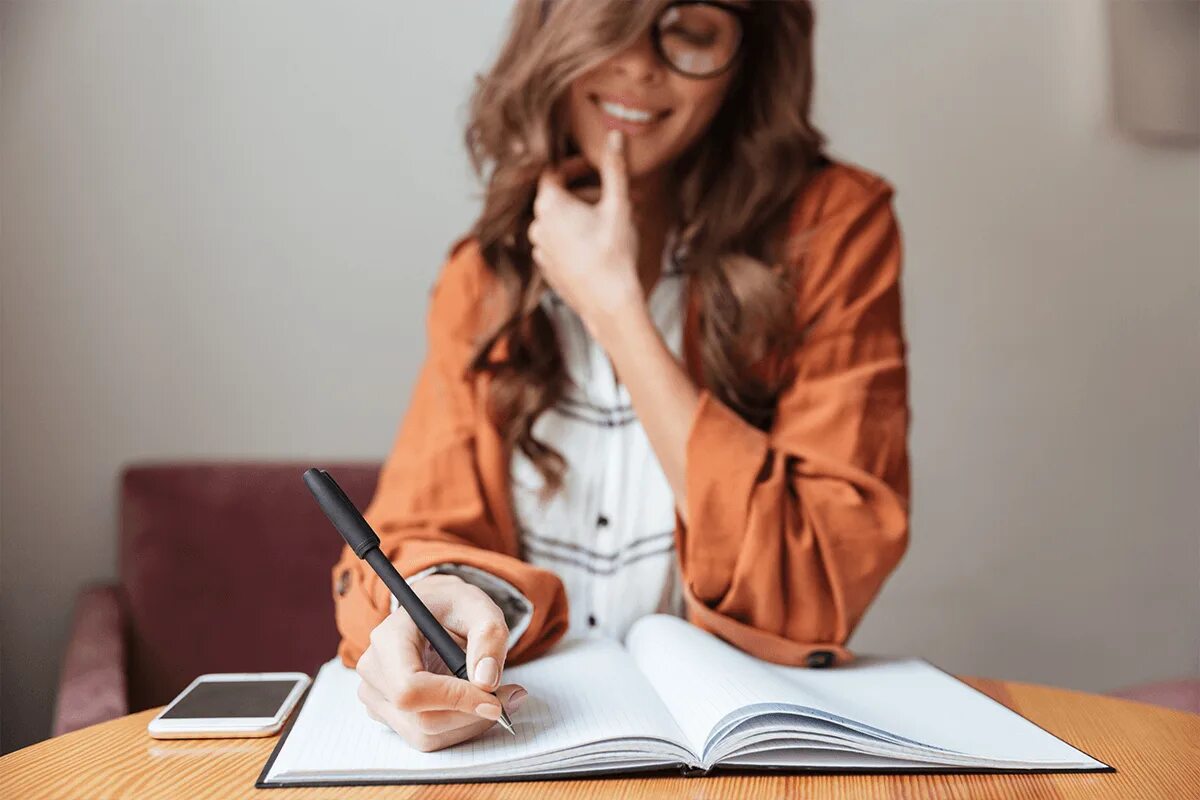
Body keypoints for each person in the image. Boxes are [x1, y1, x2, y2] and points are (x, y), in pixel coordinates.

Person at [332, 0, 910, 752]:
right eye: (612, 21)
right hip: (528, 742)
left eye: (691, 33)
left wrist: (617, 314)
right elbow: (420, 525)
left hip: (750, 752)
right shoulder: (483, 275)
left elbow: (818, 585)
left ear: (745, 59)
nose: (639, 65)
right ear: (555, 32)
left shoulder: (835, 229)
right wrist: (432, 605)